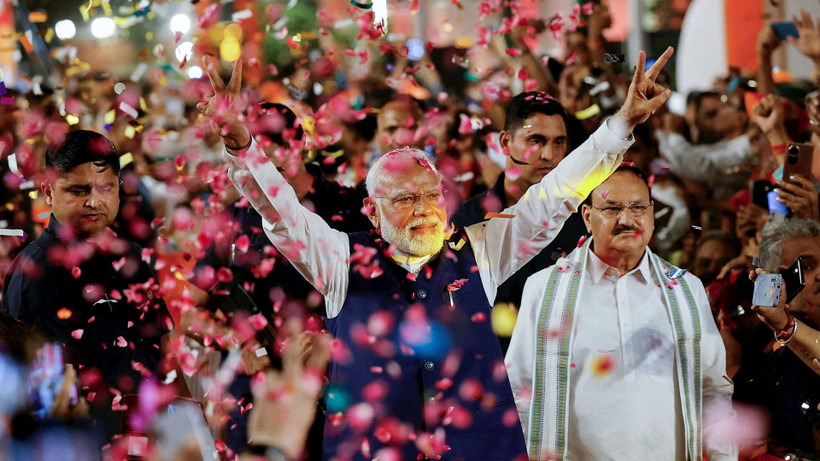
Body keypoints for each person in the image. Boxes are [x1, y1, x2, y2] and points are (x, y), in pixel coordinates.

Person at [196, 46, 674, 460]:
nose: (424, 209)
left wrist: (623, 123)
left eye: (431, 195)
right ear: (372, 211)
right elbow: (282, 215)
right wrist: (242, 145)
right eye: (405, 199)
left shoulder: (481, 249)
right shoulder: (340, 260)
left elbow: (554, 197)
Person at [506, 164, 736, 460]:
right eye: (612, 208)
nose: (627, 220)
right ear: (587, 217)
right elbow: (520, 392)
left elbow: (713, 391)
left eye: (638, 208)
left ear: (651, 213)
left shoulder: (686, 290)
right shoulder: (544, 289)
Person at [2, 130, 174, 442]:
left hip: (148, 437)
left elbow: (161, 344)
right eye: (78, 190)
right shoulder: (35, 273)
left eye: (105, 188)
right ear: (49, 191)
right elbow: (36, 394)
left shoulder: (132, 255)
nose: (93, 201)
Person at [450, 92, 582, 351]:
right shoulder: (467, 221)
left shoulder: (581, 218)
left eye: (559, 142)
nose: (549, 154)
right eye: (536, 141)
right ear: (505, 142)